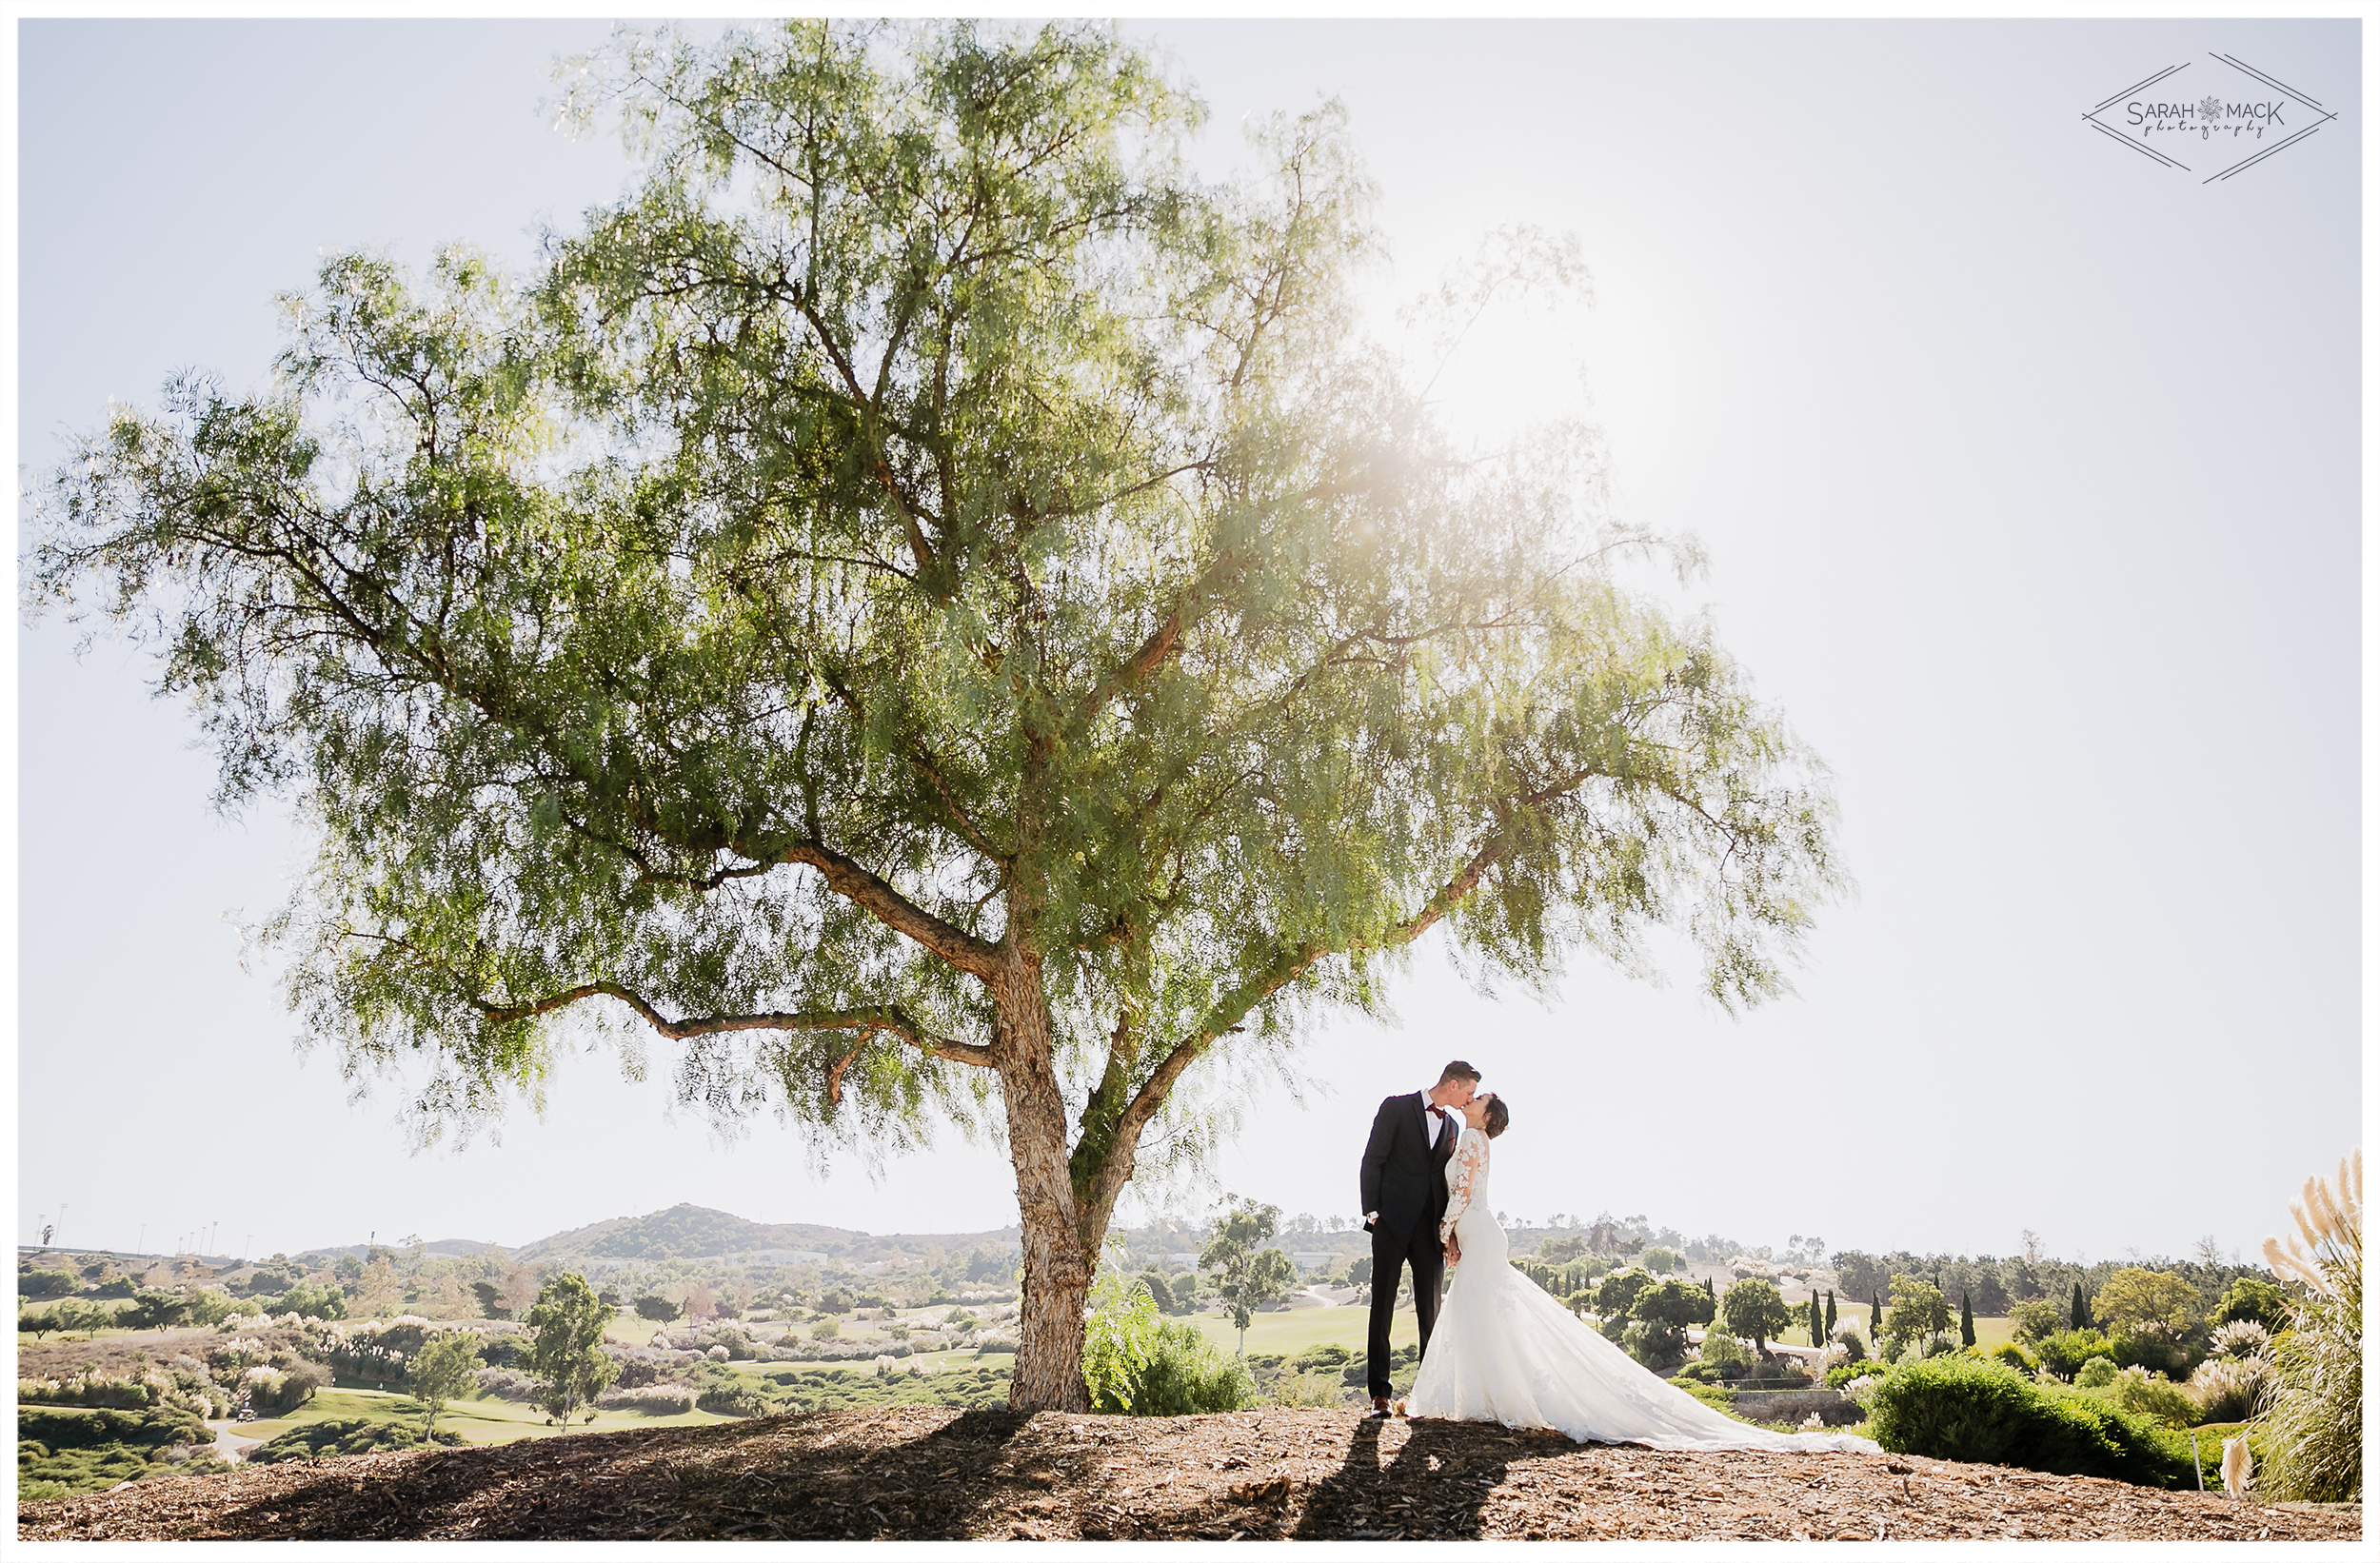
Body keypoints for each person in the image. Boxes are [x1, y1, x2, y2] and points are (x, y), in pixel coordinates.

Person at [1407, 1091, 1878, 1453]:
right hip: (1480, 1236)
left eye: (1482, 1098)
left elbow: (1462, 1192)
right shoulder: (1474, 1139)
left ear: (1488, 1116)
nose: (1474, 1098)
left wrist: (1444, 1234)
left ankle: (1487, 1400)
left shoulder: (1472, 1138)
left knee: (1477, 1311)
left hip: (1477, 1234)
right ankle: (1486, 1399)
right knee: (1482, 1315)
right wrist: (1455, 1236)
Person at [1357, 1060, 1478, 1415]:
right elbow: (1372, 1159)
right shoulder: (1395, 1107)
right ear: (1452, 1084)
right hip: (1391, 1224)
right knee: (1382, 1307)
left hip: (1430, 1231)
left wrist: (1448, 1232)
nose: (1469, 1098)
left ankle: (1429, 1394)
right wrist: (1373, 1212)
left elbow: (1445, 1181)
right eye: (1468, 1091)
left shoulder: (1453, 1126)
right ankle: (1380, 1394)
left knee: (1431, 1312)